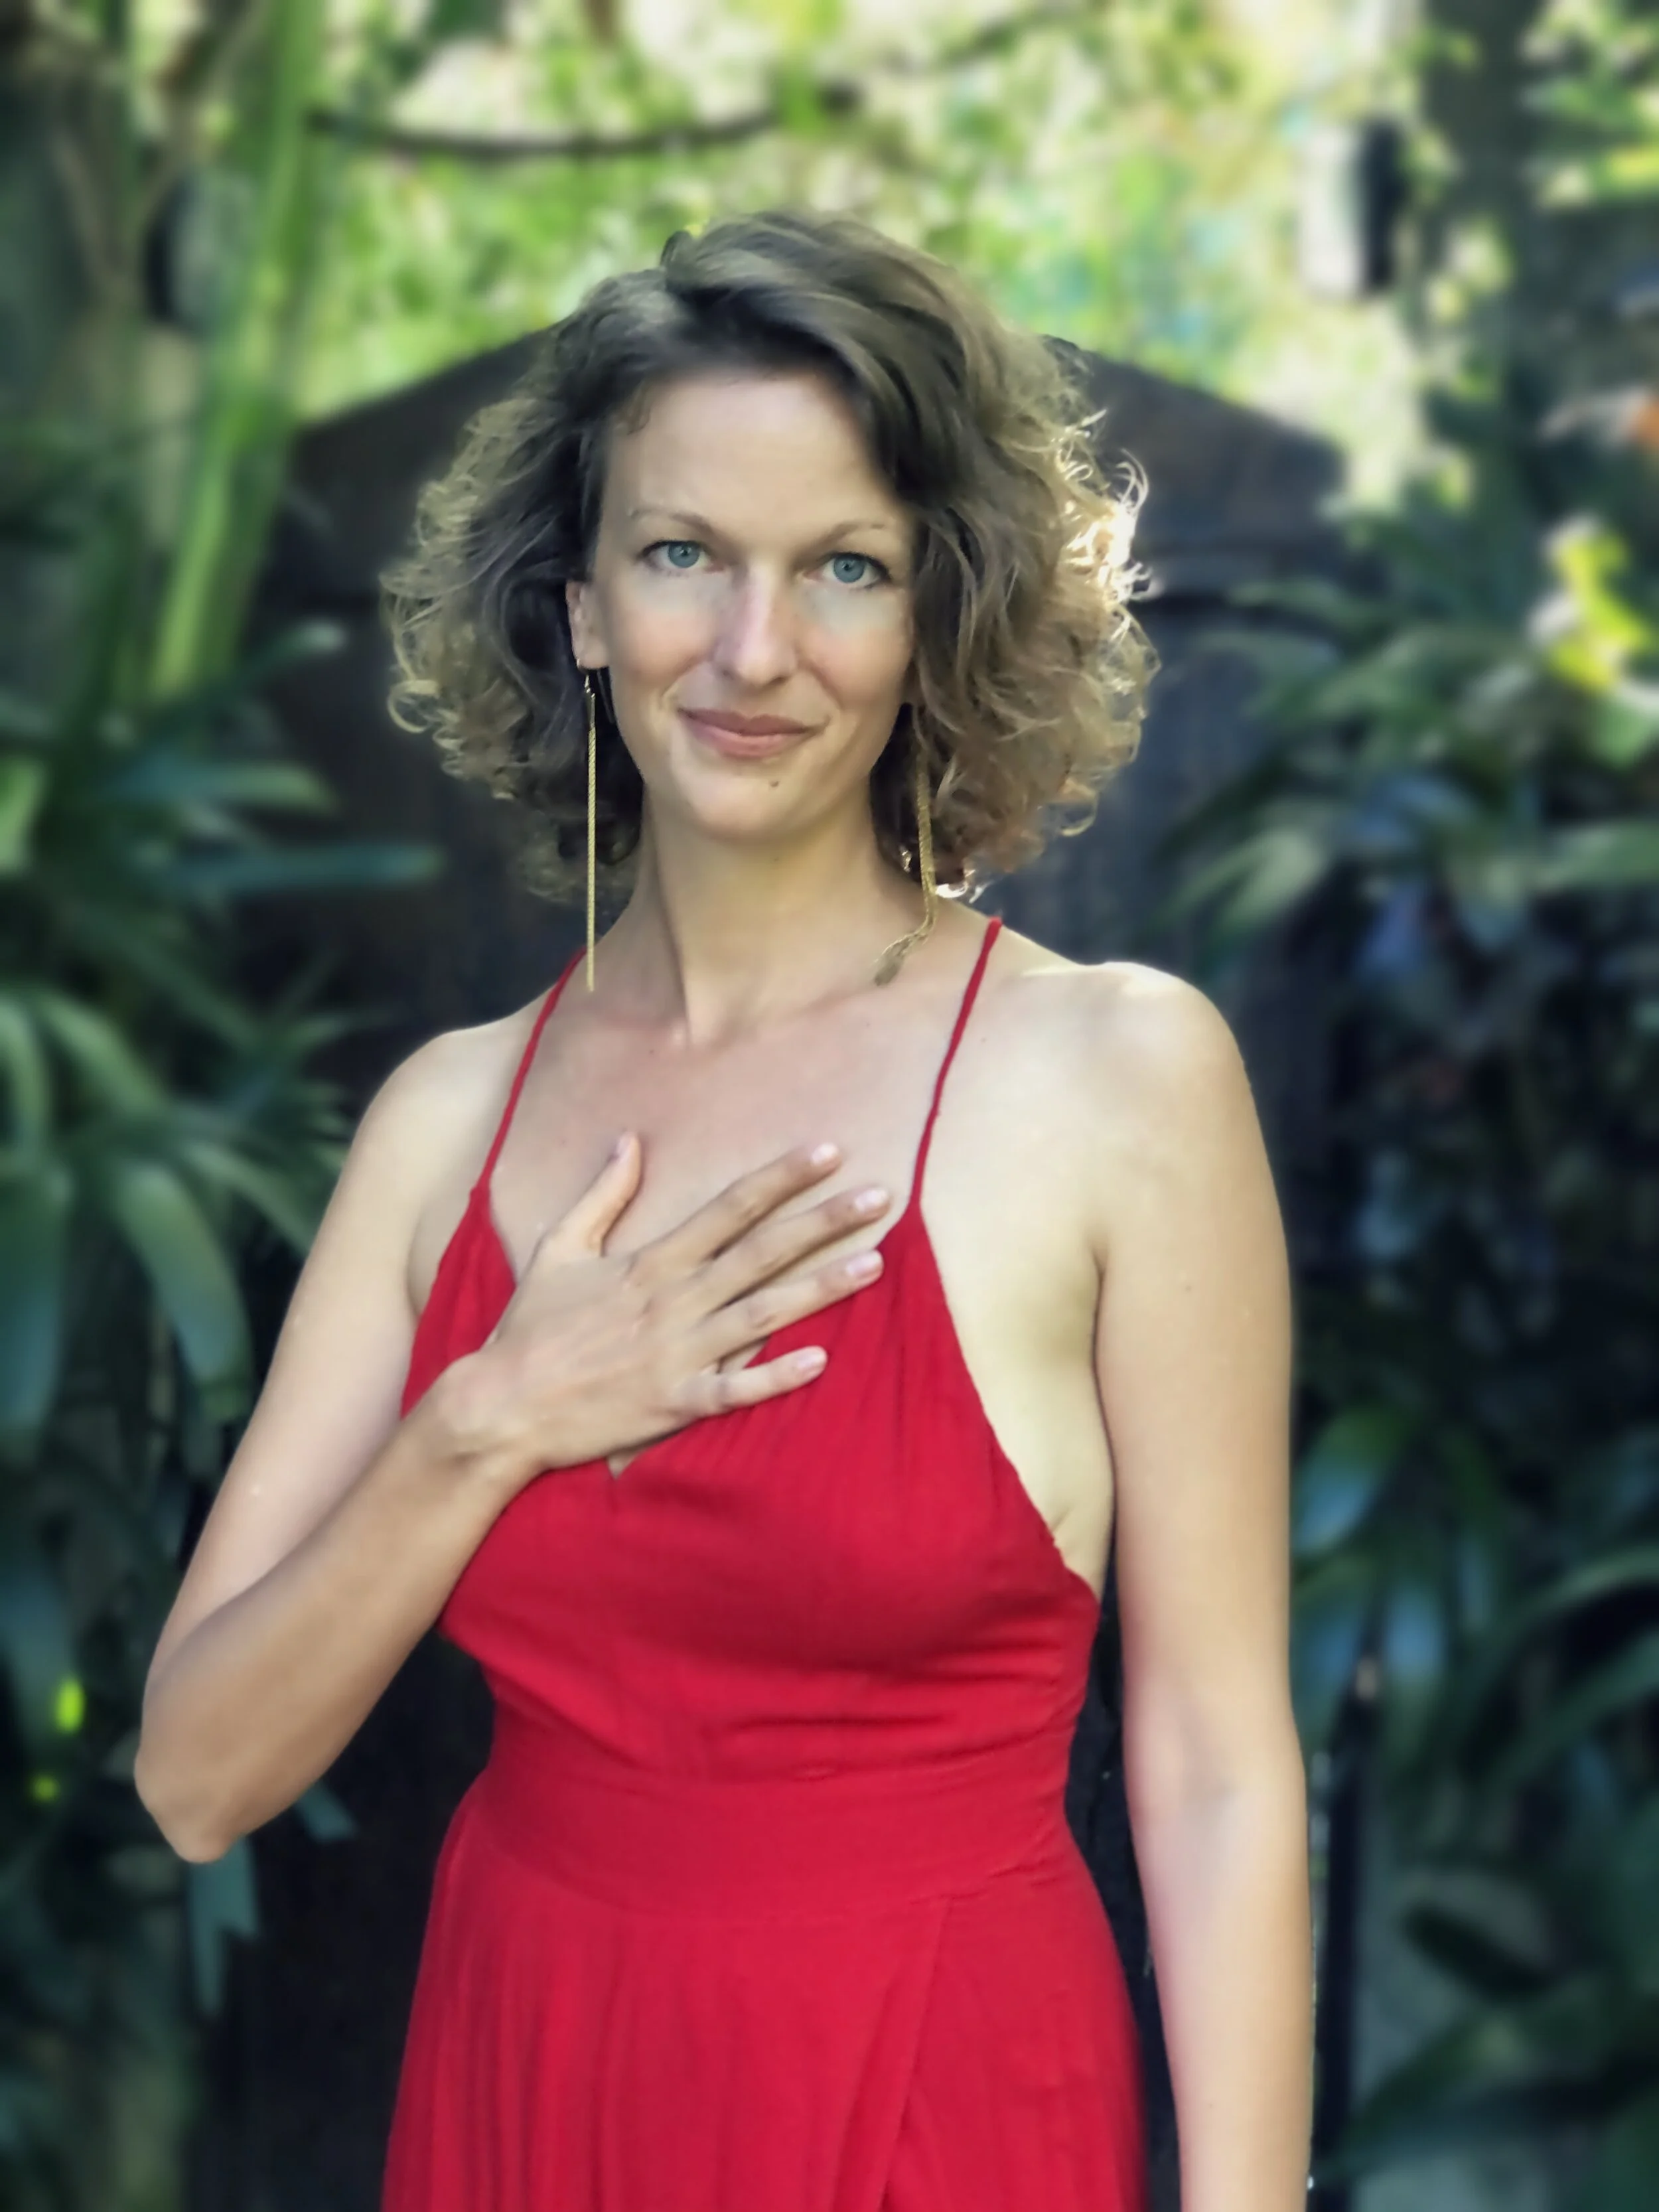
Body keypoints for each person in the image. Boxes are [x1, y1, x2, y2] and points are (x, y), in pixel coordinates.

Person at [135, 210, 1311, 2212]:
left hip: (938, 2105)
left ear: (936, 614)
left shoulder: (1117, 1080)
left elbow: (1212, 1763)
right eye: (683, 553)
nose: (753, 651)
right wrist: (488, 1419)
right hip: (528, 2086)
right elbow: (192, 1776)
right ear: (581, 600)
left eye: (844, 567)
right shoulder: (444, 1124)